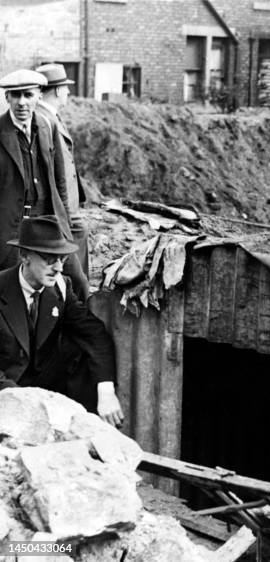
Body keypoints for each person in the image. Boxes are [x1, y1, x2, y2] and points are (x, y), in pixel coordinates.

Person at [0, 216, 123, 427]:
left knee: (81, 349)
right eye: (49, 258)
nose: (58, 267)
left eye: (62, 259)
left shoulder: (60, 287)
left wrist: (106, 389)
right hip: (6, 392)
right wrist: (22, 403)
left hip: (44, 391)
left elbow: (94, 334)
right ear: (24, 255)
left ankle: (84, 432)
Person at [0, 69, 88, 300]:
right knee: (12, 293)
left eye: (28, 95)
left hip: (48, 222)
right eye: (15, 95)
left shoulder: (47, 126)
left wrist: (64, 222)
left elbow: (59, 182)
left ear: (39, 95)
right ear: (6, 97)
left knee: (77, 283)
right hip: (12, 229)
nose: (21, 102)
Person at [35, 63, 90, 287]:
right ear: (57, 90)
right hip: (61, 209)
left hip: (68, 206)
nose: (68, 92)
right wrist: (66, 213)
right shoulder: (44, 120)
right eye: (66, 88)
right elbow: (56, 171)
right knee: (72, 265)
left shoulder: (49, 116)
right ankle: (78, 296)